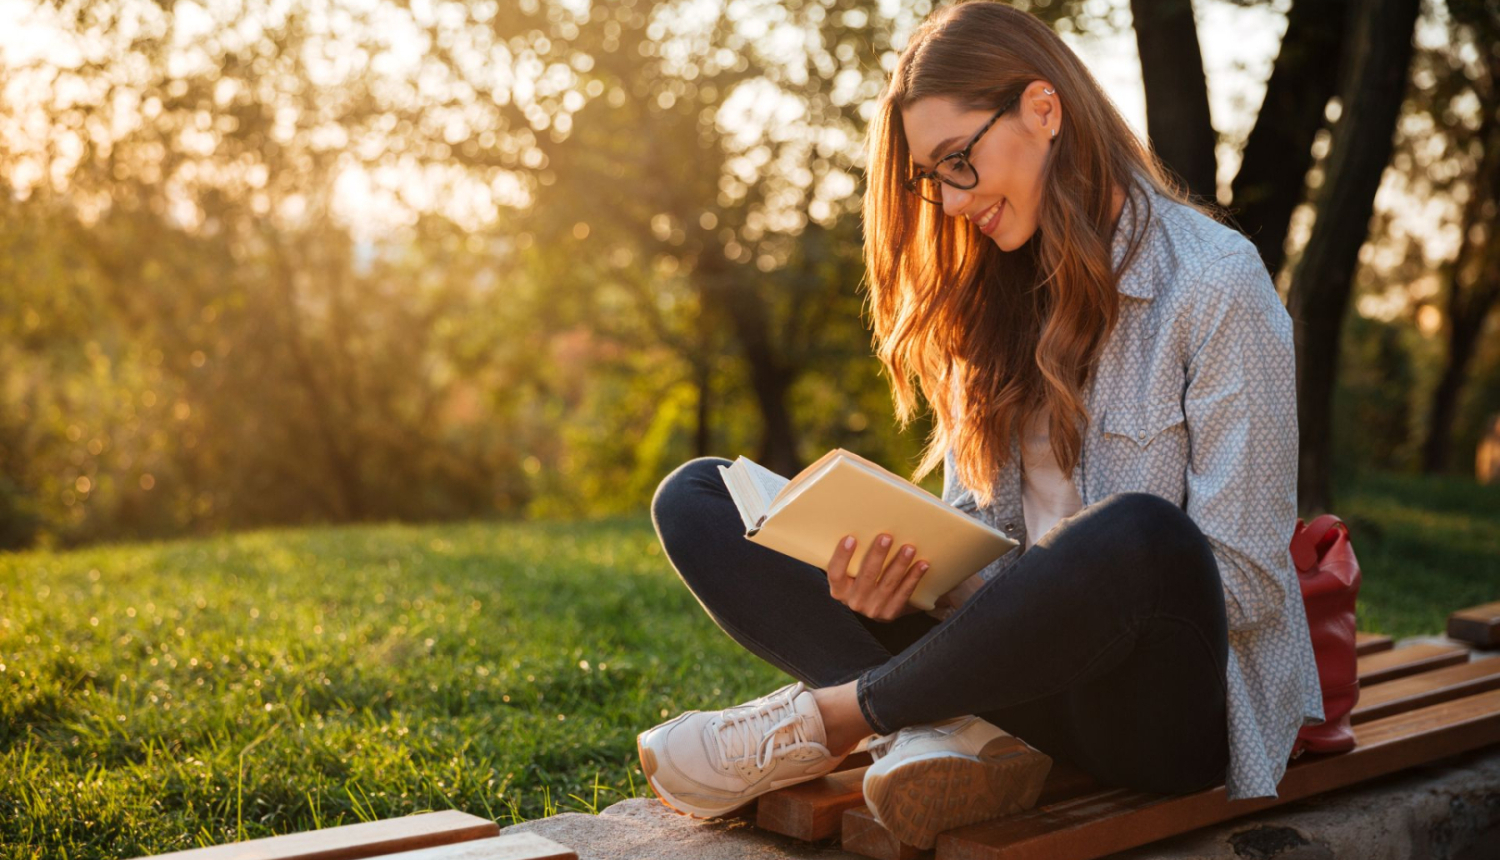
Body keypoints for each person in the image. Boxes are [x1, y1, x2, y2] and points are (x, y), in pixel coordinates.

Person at [638, 0, 1324, 848]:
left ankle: (838, 718)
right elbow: (976, 535)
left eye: (959, 160)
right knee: (701, 498)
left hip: (1159, 714)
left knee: (1140, 535)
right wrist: (911, 573)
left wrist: (1053, 590)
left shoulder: (1217, 284)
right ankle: (952, 727)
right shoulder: (990, 295)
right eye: (933, 176)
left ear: (1043, 109)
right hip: (1005, 676)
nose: (953, 200)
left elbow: (1246, 583)